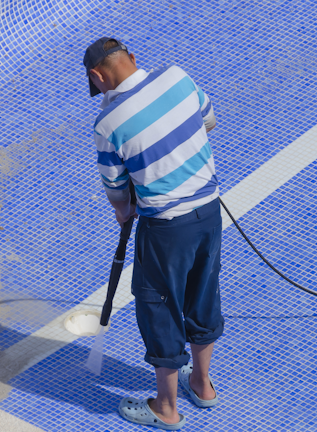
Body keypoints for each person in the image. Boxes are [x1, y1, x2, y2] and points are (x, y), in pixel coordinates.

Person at [83, 37, 223, 430]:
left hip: (165, 230)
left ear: (98, 76)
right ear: (131, 58)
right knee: (203, 294)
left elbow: (117, 192)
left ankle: (166, 408)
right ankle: (202, 385)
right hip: (210, 213)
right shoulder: (178, 77)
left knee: (158, 307)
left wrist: (126, 211)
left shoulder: (107, 124)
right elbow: (208, 121)